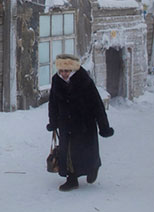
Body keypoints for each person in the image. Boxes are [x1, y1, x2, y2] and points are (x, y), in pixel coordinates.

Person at [46, 53, 114, 191]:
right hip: (65, 124)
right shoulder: (56, 81)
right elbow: (53, 104)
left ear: (73, 70)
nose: (64, 74)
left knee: (87, 151)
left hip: (84, 123)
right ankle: (71, 180)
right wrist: (53, 122)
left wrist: (104, 127)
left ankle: (93, 168)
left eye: (67, 71)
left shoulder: (84, 80)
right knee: (68, 153)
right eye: (61, 71)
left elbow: (97, 104)